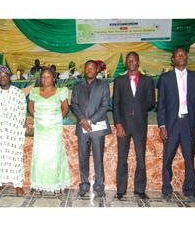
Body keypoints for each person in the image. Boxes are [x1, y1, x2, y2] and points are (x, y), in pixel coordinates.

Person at [157, 47, 195, 203]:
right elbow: (161, 104)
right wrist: (162, 126)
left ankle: (189, 189)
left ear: (187, 57)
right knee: (167, 158)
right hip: (172, 124)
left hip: (189, 123)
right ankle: (166, 188)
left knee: (189, 159)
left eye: (183, 54)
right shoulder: (165, 78)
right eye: (178, 55)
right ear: (173, 59)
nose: (181, 57)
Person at [112, 52, 156, 200]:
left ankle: (139, 189)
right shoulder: (119, 81)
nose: (131, 62)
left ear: (138, 62)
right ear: (126, 62)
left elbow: (151, 103)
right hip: (123, 125)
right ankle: (121, 190)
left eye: (134, 60)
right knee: (122, 158)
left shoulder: (147, 81)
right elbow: (115, 104)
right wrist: (118, 124)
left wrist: (138, 108)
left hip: (139, 125)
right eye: (129, 60)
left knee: (140, 159)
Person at [70, 60, 111, 197]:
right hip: (82, 127)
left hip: (97, 127)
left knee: (98, 157)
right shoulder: (77, 86)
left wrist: (91, 121)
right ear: (84, 69)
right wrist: (82, 120)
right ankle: (84, 184)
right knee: (83, 157)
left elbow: (105, 106)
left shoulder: (103, 85)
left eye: (92, 68)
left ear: (97, 70)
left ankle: (99, 185)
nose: (89, 70)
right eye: (87, 67)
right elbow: (74, 104)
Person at [28, 67, 71, 196]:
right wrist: (38, 117)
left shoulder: (61, 91)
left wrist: (56, 119)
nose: (45, 79)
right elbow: (30, 106)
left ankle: (56, 184)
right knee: (40, 156)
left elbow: (65, 108)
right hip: (40, 129)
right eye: (43, 77)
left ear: (54, 78)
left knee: (54, 156)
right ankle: (38, 185)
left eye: (48, 77)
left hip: (54, 130)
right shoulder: (34, 91)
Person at [0, 65, 27, 196]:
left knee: (15, 157)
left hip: (14, 132)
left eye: (5, 76)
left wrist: (16, 129)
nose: (2, 78)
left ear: (9, 77)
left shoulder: (18, 93)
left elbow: (22, 113)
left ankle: (18, 184)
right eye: (0, 76)